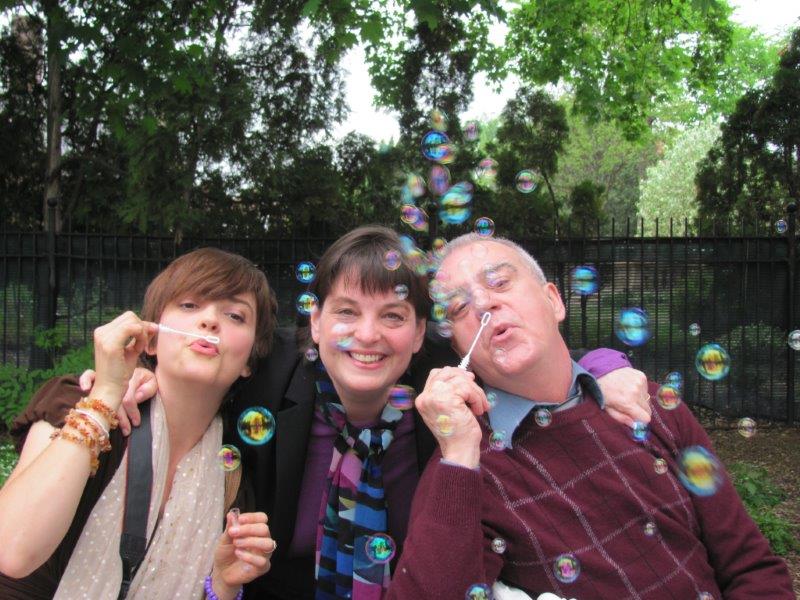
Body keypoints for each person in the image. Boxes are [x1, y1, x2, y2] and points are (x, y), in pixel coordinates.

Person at [67, 226, 651, 599]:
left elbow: (534, 356)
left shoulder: (445, 391)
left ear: (420, 334)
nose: (367, 336)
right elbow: (192, 358)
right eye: (346, 312)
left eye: (392, 317)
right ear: (317, 323)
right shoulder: (269, 381)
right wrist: (127, 380)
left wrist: (605, 365)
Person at [388, 234, 795, 599]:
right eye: (459, 306)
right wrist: (459, 458)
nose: (483, 305)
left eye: (499, 282)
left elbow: (750, 568)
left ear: (554, 301)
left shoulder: (651, 407)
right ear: (459, 348)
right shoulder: (465, 468)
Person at [0, 248, 277, 600]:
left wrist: (222, 586)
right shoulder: (75, 403)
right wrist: (105, 396)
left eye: (235, 315)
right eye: (189, 305)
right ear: (153, 338)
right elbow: (12, 551)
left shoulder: (232, 484)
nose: (209, 320)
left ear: (249, 360)